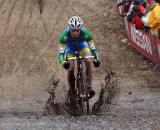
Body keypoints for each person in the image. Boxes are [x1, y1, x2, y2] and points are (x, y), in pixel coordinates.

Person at [58, 16, 100, 102]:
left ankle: (88, 86)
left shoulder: (86, 34)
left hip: (82, 46)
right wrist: (63, 62)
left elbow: (93, 49)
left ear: (80, 29)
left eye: (77, 30)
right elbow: (61, 53)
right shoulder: (64, 36)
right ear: (69, 29)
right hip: (70, 48)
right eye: (73, 30)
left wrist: (96, 59)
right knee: (71, 68)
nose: (75, 33)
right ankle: (72, 90)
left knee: (88, 61)